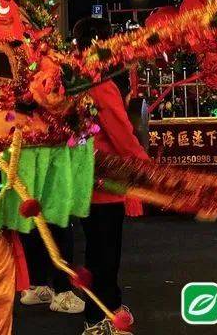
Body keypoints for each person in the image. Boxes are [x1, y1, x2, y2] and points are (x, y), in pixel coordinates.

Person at [73, 17, 150, 335]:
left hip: (83, 175)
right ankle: (99, 316)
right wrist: (143, 165)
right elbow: (121, 132)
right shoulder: (100, 84)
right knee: (105, 251)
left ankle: (110, 305)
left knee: (97, 248)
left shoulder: (75, 77)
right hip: (105, 178)